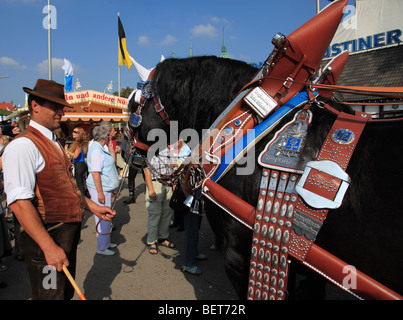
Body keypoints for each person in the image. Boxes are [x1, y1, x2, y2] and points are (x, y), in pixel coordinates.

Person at [2, 79, 116, 300]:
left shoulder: (52, 140)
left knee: (62, 294)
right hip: (47, 239)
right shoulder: (23, 146)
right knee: (49, 296)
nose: (61, 112)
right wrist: (48, 247)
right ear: (35, 106)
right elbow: (18, 202)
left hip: (62, 239)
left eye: (61, 107)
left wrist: (93, 206)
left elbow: (64, 187)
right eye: (55, 106)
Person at [86, 125, 119, 256]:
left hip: (105, 187)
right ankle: (102, 246)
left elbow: (111, 160)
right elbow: (95, 173)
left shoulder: (100, 148)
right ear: (105, 137)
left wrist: (110, 146)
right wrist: (100, 192)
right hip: (100, 188)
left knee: (106, 216)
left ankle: (105, 241)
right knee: (103, 217)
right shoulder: (96, 151)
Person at [144, 146, 176, 255]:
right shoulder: (151, 149)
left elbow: (171, 166)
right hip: (156, 184)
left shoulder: (168, 148)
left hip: (168, 184)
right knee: (155, 213)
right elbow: (147, 169)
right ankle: (152, 241)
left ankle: (162, 238)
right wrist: (151, 189)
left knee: (167, 213)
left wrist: (173, 182)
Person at [65, 126, 89, 197]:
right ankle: (84, 196)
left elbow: (75, 155)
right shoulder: (81, 143)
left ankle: (83, 197)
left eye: (75, 132)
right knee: (81, 182)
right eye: (73, 131)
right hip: (81, 164)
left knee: (79, 182)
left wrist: (67, 150)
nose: (73, 133)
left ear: (79, 134)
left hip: (79, 164)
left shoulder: (78, 143)